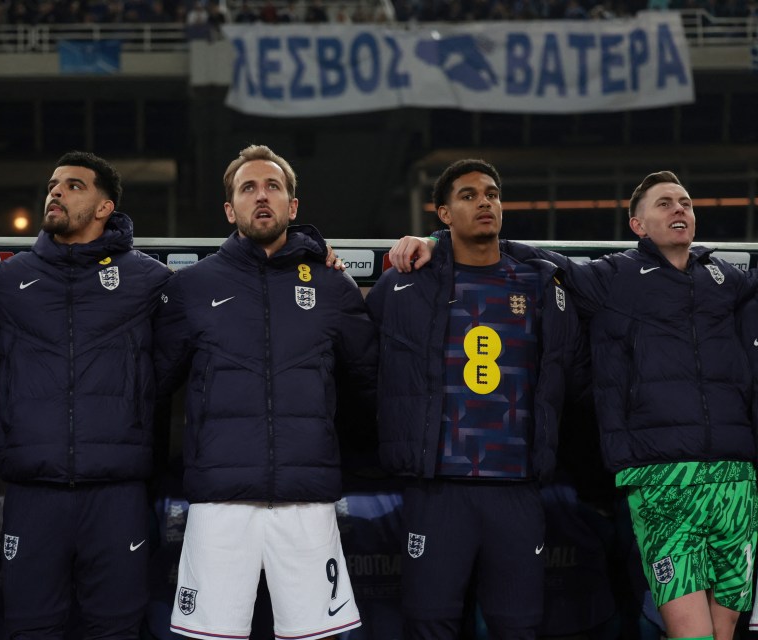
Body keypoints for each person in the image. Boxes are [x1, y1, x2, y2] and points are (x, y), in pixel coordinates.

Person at [390, 170, 758, 640]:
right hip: (662, 477)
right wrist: (438, 240)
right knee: (693, 635)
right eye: (664, 203)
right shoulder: (613, 277)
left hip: (737, 475)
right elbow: (526, 254)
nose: (679, 209)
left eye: (685, 202)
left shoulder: (727, 278)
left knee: (725, 636)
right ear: (638, 226)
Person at [152, 144, 377, 640]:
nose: (262, 196)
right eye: (248, 188)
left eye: (273, 186)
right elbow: (152, 387)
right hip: (220, 502)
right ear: (230, 209)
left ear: (292, 207)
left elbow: (371, 382)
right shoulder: (192, 287)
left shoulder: (332, 286)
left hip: (307, 500)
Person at [365, 158, 579, 640]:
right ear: (442, 213)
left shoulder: (542, 283)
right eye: (469, 195)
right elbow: (364, 369)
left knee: (519, 626)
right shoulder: (404, 285)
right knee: (429, 623)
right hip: (439, 489)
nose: (486, 202)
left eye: (493, 194)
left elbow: (573, 370)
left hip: (517, 486)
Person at [0, 151, 173, 638]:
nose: (56, 192)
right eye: (53, 185)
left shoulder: (149, 281)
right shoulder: (5, 284)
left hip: (117, 493)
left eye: (73, 186)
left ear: (104, 207)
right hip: (32, 493)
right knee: (29, 627)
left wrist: (319, 258)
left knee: (117, 628)